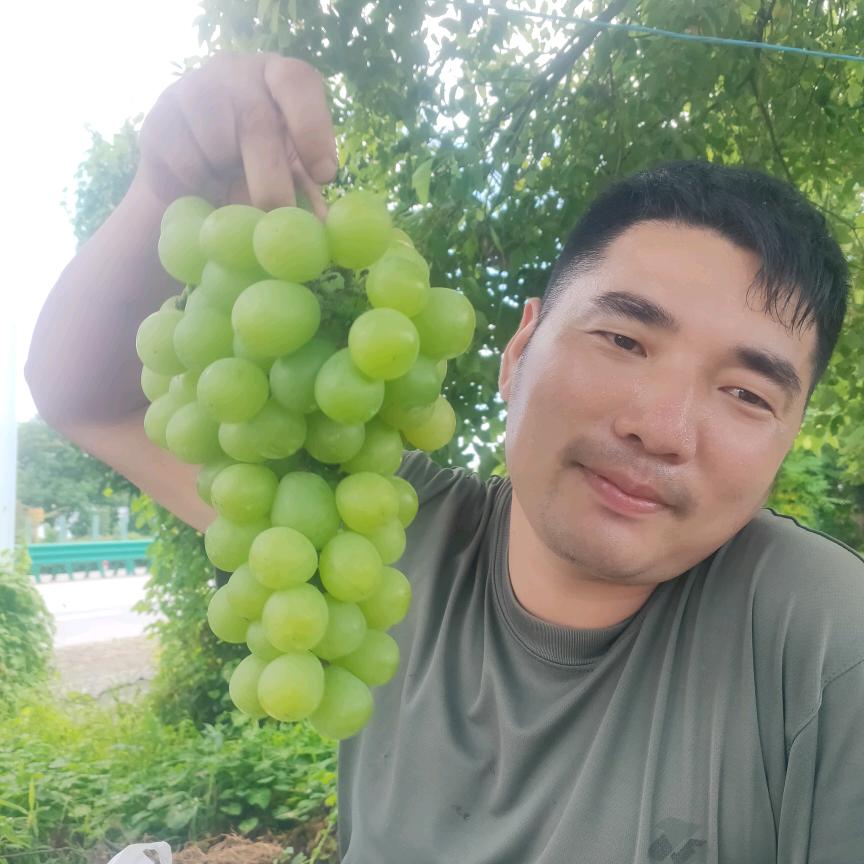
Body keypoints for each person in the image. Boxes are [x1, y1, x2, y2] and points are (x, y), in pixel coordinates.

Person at [26, 52, 864, 863]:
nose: (664, 428)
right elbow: (83, 395)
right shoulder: (374, 524)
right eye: (623, 337)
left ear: (786, 437)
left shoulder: (825, 638)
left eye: (748, 394)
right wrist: (164, 189)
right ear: (518, 349)